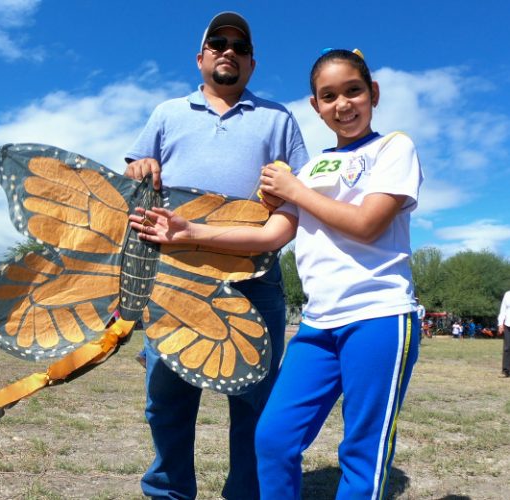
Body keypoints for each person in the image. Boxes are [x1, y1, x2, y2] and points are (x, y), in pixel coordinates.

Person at [131, 48, 422, 499]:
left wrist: (296, 191)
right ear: (316, 106)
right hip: (318, 322)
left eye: (353, 91)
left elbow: (368, 225)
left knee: (363, 451)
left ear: (374, 93)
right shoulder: (311, 168)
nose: (342, 104)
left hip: (379, 314)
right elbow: (269, 237)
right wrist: (189, 230)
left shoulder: (393, 147)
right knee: (273, 439)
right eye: (328, 96)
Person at [123, 11, 309, 499]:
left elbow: (296, 198)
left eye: (239, 46)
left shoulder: (279, 118)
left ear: (252, 63)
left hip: (255, 278)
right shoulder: (166, 113)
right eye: (218, 42)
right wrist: (141, 166)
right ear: (200, 57)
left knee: (254, 404)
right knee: (167, 401)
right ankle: (168, 492)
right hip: (174, 280)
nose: (229, 49)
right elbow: (136, 190)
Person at [498, 290, 510, 377]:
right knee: (507, 347)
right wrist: (500, 324)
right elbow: (503, 310)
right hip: (508, 324)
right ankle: (506, 370)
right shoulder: (507, 294)